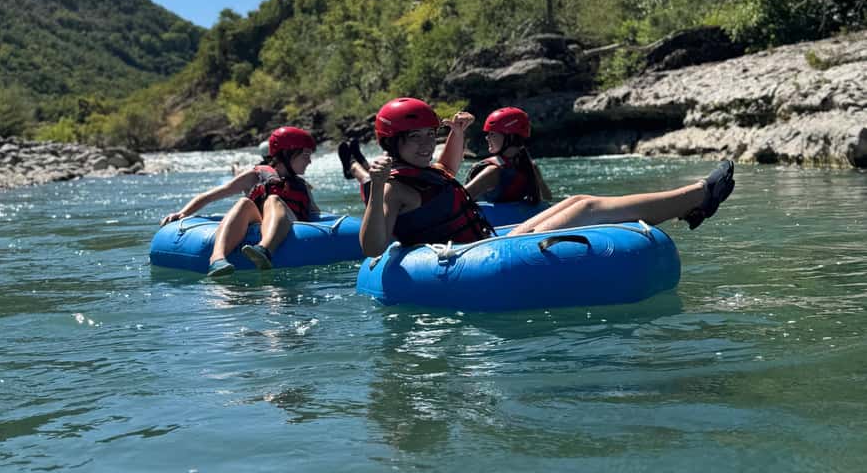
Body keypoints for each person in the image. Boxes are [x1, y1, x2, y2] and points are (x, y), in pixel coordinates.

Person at [359, 97, 735, 257]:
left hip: (486, 244)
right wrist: (375, 188)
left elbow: (447, 171)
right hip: (474, 256)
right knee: (586, 209)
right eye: (415, 138)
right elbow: (373, 248)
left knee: (577, 201)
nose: (426, 145)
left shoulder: (425, 171)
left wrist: (455, 132)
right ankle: (697, 196)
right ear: (392, 142)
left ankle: (691, 204)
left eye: (430, 136)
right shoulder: (393, 188)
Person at [160, 126, 320, 277]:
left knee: (273, 199)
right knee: (244, 203)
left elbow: (315, 215)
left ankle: (264, 250)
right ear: (287, 153)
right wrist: (183, 213)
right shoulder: (255, 176)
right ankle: (217, 259)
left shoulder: (302, 186)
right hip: (259, 220)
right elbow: (210, 196)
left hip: (291, 224)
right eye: (305, 155)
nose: (309, 161)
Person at [462, 106, 552, 204]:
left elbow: (458, 200)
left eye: (492, 133)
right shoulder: (530, 167)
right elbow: (547, 201)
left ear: (510, 136)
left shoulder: (492, 172)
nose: (487, 138)